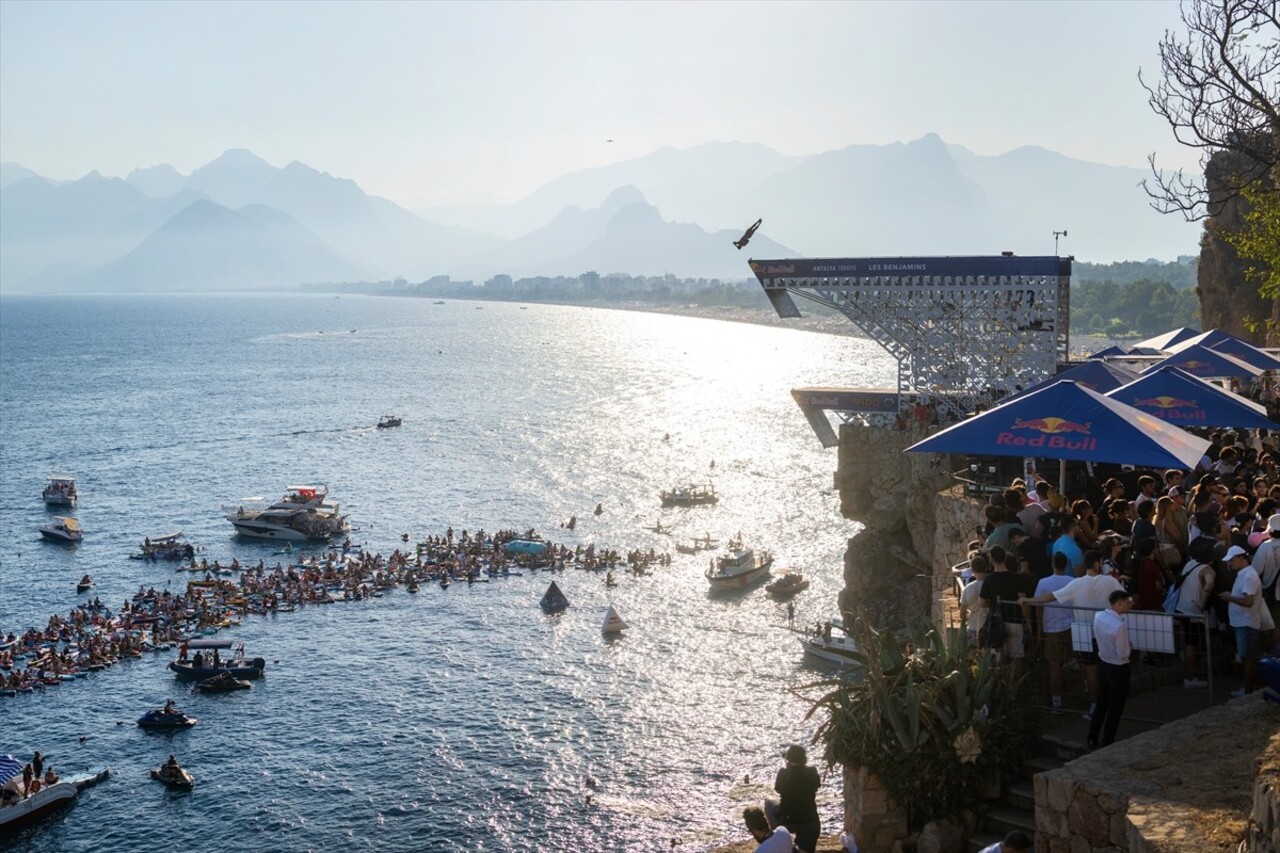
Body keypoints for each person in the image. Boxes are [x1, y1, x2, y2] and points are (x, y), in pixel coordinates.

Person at [1087, 589, 1133, 749]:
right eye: (1128, 602)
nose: (1130, 605)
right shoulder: (1119, 626)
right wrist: (1129, 647)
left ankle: (1092, 736)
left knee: (1102, 702)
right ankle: (1108, 739)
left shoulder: (1099, 616)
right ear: (1119, 603)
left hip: (1104, 663)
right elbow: (1123, 654)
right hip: (1118, 668)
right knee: (1116, 707)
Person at [1220, 544, 1263, 695]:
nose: (1229, 564)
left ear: (1240, 558)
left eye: (1231, 560)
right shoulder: (1244, 574)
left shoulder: (1249, 576)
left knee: (1247, 659)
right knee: (1246, 658)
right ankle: (1247, 689)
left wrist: (1229, 597)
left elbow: (1248, 601)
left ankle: (1247, 691)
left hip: (1246, 623)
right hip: (1242, 622)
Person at [773, 744, 820, 853]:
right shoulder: (812, 772)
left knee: (769, 803)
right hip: (811, 823)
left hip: (788, 821)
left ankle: (774, 838)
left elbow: (778, 789)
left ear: (788, 759)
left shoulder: (784, 774)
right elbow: (816, 785)